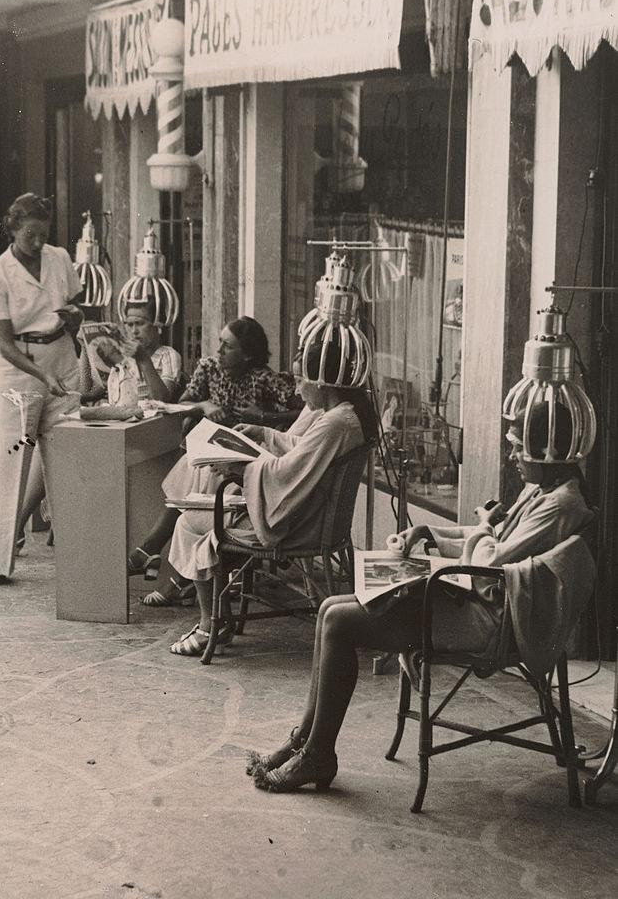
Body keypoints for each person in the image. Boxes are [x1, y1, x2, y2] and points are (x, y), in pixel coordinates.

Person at [249, 401, 592, 793]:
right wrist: (428, 532)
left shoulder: (561, 505)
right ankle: (306, 742)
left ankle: (318, 754)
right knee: (330, 607)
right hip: (478, 599)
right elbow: (487, 544)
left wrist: (482, 528)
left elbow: (492, 556)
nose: (512, 454)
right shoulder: (544, 490)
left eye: (518, 446)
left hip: (490, 621)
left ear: (543, 449)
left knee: (340, 622)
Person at [164, 334, 378, 655]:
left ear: (321, 384)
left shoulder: (335, 423)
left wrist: (238, 468)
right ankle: (215, 619)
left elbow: (286, 474)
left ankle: (212, 625)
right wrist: (263, 434)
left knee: (189, 524)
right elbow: (302, 451)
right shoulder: (344, 415)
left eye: (299, 381)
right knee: (201, 512)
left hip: (301, 524)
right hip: (313, 514)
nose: (295, 389)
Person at [130, 316, 299, 600]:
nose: (219, 350)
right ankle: (170, 569)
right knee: (197, 468)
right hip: (215, 452)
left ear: (247, 354)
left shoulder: (263, 377)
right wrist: (204, 405)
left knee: (205, 474)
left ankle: (158, 559)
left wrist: (265, 417)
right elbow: (181, 404)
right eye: (220, 342)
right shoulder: (209, 368)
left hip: (247, 462)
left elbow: (303, 410)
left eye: (228, 346)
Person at [0, 193, 83, 587]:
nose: (38, 243)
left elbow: (74, 301)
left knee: (74, 457)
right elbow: (4, 343)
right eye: (30, 235)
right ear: (13, 229)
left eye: (44, 234)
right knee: (7, 463)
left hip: (61, 359)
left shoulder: (59, 258)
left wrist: (76, 318)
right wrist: (41, 376)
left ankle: (85, 555)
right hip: (19, 369)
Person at [80, 297, 183, 421]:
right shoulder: (121, 358)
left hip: (148, 428)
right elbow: (87, 391)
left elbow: (161, 401)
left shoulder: (167, 355)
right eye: (129, 324)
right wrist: (84, 347)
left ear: (157, 326)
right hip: (118, 426)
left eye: (140, 324)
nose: (134, 331)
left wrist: (143, 359)